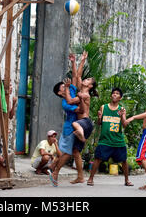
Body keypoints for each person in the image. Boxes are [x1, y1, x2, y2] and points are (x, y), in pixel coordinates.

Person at [51, 51, 95, 186]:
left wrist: (76, 61)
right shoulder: (66, 103)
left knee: (72, 152)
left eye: (66, 86)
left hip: (79, 125)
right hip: (71, 128)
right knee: (68, 153)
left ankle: (60, 170)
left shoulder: (71, 91)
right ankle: (55, 170)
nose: (66, 86)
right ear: (60, 93)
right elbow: (79, 109)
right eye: (63, 87)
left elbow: (77, 76)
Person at [87, 88, 133, 187]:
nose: (114, 95)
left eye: (117, 94)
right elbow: (99, 123)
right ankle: (90, 179)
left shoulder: (121, 109)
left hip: (118, 140)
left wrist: (122, 116)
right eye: (113, 93)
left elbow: (124, 124)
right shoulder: (103, 107)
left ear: (120, 98)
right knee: (98, 158)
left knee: (124, 161)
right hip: (105, 140)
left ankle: (127, 180)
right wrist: (99, 117)